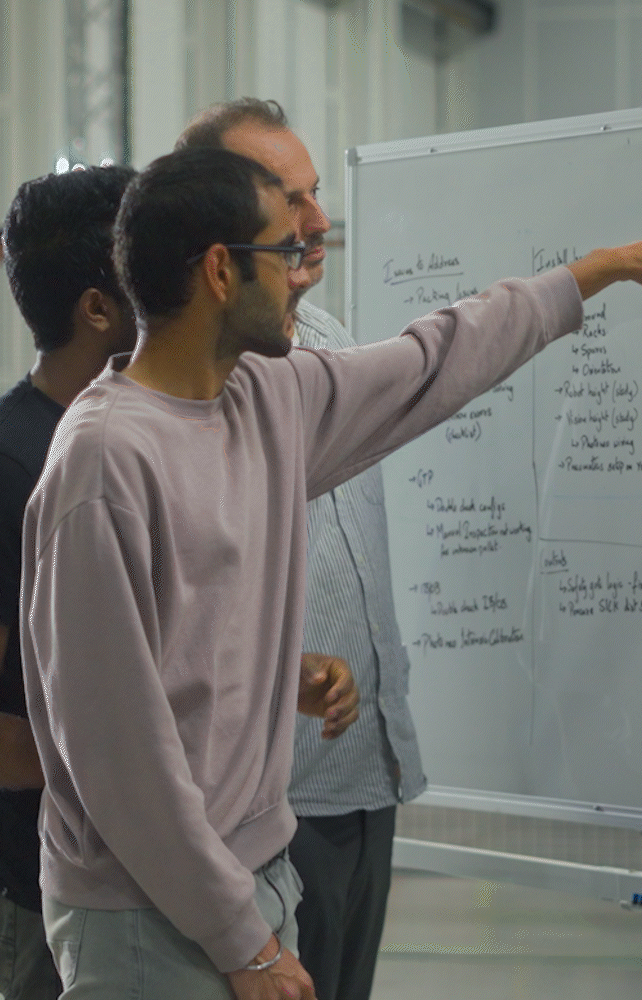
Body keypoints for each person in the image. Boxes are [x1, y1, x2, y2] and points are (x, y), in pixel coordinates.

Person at [20, 145, 642, 1000]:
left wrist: (601, 272)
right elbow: (118, 758)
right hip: (147, 917)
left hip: (249, 877)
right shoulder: (106, 463)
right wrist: (242, 943)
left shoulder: (264, 398)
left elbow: (437, 359)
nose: (300, 272)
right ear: (218, 271)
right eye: (283, 251)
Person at [173, 97, 413, 1000]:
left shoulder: (332, 341)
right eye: (288, 200)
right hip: (261, 803)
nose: (315, 222)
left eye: (314, 196)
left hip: (364, 772)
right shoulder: (194, 382)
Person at [0, 163, 138, 1000]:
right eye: (151, 262)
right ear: (99, 308)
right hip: (51, 899)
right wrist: (127, 761)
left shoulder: (144, 433)